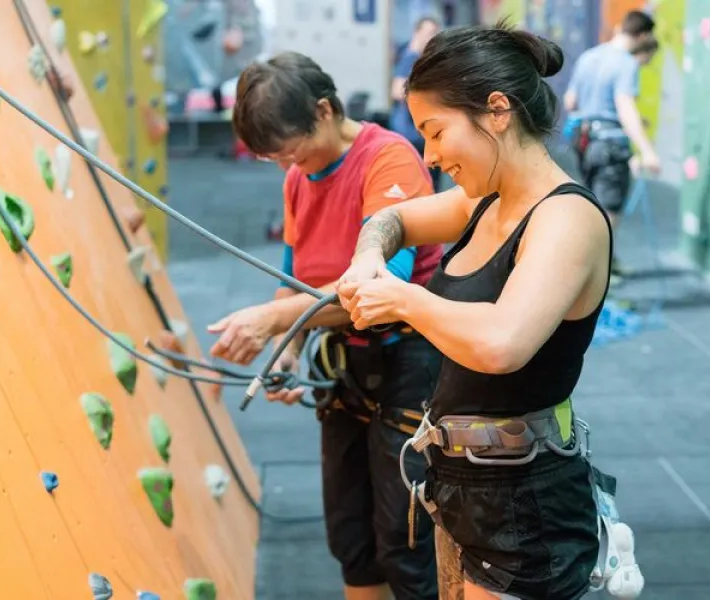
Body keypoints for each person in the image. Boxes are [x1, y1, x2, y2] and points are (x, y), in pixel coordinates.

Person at [335, 21, 614, 600]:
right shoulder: (483, 201)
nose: (431, 155)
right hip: (463, 488)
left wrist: (402, 297)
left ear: (495, 110)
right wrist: (368, 259)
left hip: (526, 504)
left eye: (436, 133)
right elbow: (394, 220)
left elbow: (502, 344)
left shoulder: (566, 219)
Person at [207, 51, 443, 600]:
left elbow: (381, 290)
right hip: (344, 361)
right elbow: (293, 276)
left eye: (290, 148)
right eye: (275, 157)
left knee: (405, 539)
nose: (288, 163)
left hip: (409, 359)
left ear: (325, 109)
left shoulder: (389, 160)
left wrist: (273, 322)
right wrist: (287, 351)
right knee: (350, 534)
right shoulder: (298, 177)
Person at [563, 10, 661, 282]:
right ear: (642, 35)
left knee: (595, 204)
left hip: (584, 141)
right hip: (610, 145)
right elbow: (624, 106)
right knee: (610, 210)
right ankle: (598, 273)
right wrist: (648, 150)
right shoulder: (626, 64)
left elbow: (571, 102)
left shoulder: (588, 57)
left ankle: (605, 264)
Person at [390, 16, 442, 191]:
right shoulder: (410, 58)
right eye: (428, 33)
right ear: (417, 33)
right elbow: (397, 90)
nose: (431, 38)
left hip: (417, 134)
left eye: (434, 34)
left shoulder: (419, 59)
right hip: (410, 133)